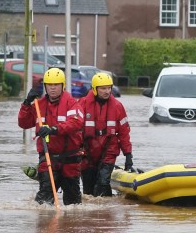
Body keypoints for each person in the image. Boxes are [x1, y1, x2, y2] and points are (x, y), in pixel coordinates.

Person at [18, 67, 85, 205]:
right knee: (44, 199)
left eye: (56, 85)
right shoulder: (39, 105)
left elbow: (76, 123)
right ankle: (45, 224)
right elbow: (23, 123)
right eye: (49, 85)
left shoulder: (72, 103)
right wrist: (26, 104)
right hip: (48, 158)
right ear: (45, 86)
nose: (52, 88)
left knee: (73, 202)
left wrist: (54, 129)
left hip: (70, 158)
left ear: (62, 85)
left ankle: (69, 225)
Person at [78, 71, 134, 196]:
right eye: (103, 88)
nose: (107, 91)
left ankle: (106, 212)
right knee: (88, 190)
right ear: (94, 89)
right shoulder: (82, 104)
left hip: (109, 150)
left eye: (109, 88)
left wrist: (128, 154)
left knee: (103, 183)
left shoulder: (118, 107)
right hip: (87, 152)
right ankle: (100, 212)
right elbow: (75, 130)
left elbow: (124, 133)